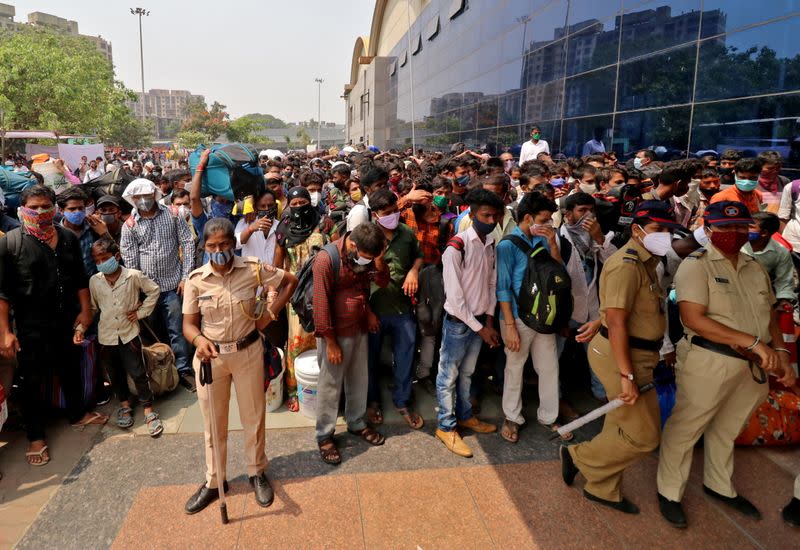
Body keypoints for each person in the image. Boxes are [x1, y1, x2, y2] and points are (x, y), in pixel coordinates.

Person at [656, 201, 797, 529]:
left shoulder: (754, 266)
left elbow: (770, 313)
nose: (733, 234)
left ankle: (719, 485)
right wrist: (755, 344)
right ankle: (669, 492)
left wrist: (779, 351)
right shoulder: (696, 265)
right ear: (708, 230)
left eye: (739, 227)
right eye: (724, 227)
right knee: (686, 428)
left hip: (752, 368)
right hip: (709, 361)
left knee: (728, 428)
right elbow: (693, 318)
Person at [560, 201, 681, 514]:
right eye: (659, 229)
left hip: (639, 356)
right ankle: (578, 457)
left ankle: (603, 488)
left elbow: (625, 309)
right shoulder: (627, 264)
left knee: (620, 426)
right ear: (638, 230)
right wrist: (626, 376)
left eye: (669, 230)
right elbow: (617, 322)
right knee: (645, 436)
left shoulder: (646, 261)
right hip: (621, 358)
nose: (665, 236)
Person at [182, 217, 297, 513]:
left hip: (248, 353)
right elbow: (189, 325)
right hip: (211, 359)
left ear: (233, 244)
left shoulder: (253, 269)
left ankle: (257, 471)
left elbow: (290, 281)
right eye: (212, 246)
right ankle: (214, 481)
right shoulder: (196, 279)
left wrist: (269, 314)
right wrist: (198, 342)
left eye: (223, 244)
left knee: (254, 418)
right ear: (204, 247)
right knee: (212, 424)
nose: (218, 250)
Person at [0, 185, 109, 466]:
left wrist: (86, 311)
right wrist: (6, 332)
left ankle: (78, 414)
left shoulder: (66, 238)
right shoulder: (10, 243)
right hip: (31, 326)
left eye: (45, 206)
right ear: (23, 209)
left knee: (69, 368)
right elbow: (2, 294)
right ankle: (36, 437)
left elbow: (80, 279)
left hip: (67, 320)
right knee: (31, 381)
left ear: (54, 208)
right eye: (34, 207)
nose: (40, 212)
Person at [313, 222, 390, 465]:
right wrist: (330, 342)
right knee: (330, 384)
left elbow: (375, 283)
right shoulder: (327, 260)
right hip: (335, 334)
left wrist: (377, 262)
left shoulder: (365, 256)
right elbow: (321, 304)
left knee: (359, 379)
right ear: (353, 245)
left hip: (359, 327)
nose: (368, 260)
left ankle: (356, 421)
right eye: (367, 256)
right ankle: (325, 435)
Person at [435, 188, 504, 458]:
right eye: (486, 215)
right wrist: (481, 328)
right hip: (458, 323)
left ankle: (464, 416)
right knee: (447, 376)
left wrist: (488, 318)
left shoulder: (490, 243)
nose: (491, 220)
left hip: (479, 323)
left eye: (496, 215)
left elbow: (490, 283)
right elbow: (455, 298)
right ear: (472, 214)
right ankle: (445, 426)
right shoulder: (456, 247)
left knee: (467, 373)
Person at [496, 192, 567, 443]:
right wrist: (510, 326)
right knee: (514, 368)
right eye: (545, 219)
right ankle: (512, 416)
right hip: (517, 317)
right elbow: (502, 288)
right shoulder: (507, 246)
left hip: (544, 317)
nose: (549, 224)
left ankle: (549, 416)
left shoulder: (546, 240)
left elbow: (559, 274)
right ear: (528, 218)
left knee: (549, 367)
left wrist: (554, 245)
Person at [120, 178, 196, 391]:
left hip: (173, 285)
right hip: (147, 291)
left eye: (147, 195)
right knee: (153, 331)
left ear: (154, 195)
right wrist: (136, 291)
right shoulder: (129, 225)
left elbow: (187, 243)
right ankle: (161, 369)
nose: (143, 200)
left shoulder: (173, 215)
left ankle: (182, 370)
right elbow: (130, 261)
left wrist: (186, 277)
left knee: (177, 330)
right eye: (138, 197)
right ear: (132, 199)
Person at [89, 237, 163, 437]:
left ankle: (148, 408)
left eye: (104, 258)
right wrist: (81, 326)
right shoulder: (95, 281)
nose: (101, 263)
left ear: (116, 256)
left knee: (138, 371)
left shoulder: (133, 276)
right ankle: (124, 404)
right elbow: (94, 307)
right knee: (114, 374)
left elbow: (154, 290)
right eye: (97, 260)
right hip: (106, 335)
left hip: (129, 333)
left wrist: (140, 313)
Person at [365, 189, 424, 429]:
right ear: (375, 214)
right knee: (370, 360)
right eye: (386, 213)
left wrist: (414, 270)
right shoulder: (365, 236)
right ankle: (372, 401)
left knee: (405, 357)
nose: (392, 216)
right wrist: (366, 312)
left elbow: (419, 256)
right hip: (373, 310)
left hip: (401, 308)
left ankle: (402, 400)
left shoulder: (407, 233)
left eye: (395, 211)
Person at [558, 192, 618, 401]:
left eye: (591, 211)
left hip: (592, 307)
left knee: (597, 354)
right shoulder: (558, 238)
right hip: (566, 310)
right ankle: (558, 400)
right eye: (582, 211)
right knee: (555, 358)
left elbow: (615, 264)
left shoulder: (598, 235)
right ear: (568, 215)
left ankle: (601, 395)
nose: (588, 216)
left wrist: (600, 238)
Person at [273, 186, 327, 412]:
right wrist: (272, 294)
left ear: (310, 202)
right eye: (293, 204)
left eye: (302, 203)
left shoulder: (323, 223)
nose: (298, 208)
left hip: (321, 288)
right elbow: (276, 266)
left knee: (323, 339)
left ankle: (325, 389)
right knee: (296, 341)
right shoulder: (283, 229)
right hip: (295, 293)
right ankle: (295, 390)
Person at [743, 212, 795, 307]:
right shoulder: (737, 245)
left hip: (763, 297)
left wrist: (784, 300)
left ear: (764, 233)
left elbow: (784, 280)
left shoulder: (781, 252)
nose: (745, 229)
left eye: (750, 227)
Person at [236, 190, 279, 265]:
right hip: (251, 274)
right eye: (262, 206)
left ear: (276, 206)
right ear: (255, 208)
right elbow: (236, 244)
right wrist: (250, 229)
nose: (266, 209)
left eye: (270, 205)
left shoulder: (280, 226)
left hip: (273, 274)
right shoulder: (245, 223)